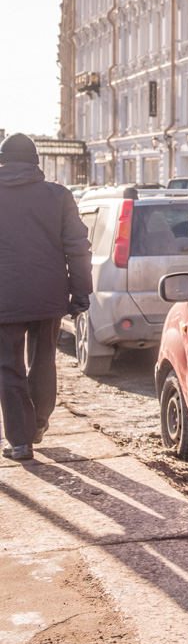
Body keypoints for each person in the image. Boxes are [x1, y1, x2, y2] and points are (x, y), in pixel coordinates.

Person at [0, 134, 91, 461]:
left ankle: (20, 442)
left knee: (8, 368)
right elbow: (78, 247)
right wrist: (81, 293)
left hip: (5, 297)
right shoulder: (58, 195)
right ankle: (38, 423)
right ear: (35, 162)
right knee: (43, 359)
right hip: (49, 294)